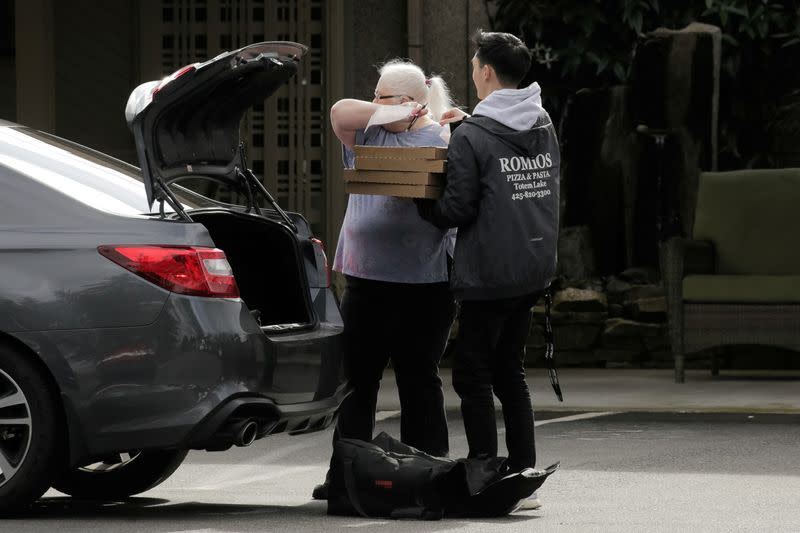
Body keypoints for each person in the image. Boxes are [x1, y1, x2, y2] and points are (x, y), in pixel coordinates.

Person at [416, 30, 561, 511]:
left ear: (485, 72)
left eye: (475, 64)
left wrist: (421, 202)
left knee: (472, 376)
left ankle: (486, 472)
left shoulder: (474, 135)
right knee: (510, 372)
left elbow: (456, 209)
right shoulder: (541, 122)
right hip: (533, 268)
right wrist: (465, 131)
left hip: (490, 275)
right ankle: (524, 471)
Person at [313, 60, 458, 499]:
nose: (372, 103)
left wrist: (430, 115)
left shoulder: (443, 137)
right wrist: (394, 111)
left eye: (383, 96)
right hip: (365, 279)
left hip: (425, 282)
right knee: (359, 381)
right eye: (373, 95)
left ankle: (429, 474)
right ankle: (345, 476)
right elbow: (340, 111)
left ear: (415, 101)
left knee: (419, 378)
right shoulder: (368, 132)